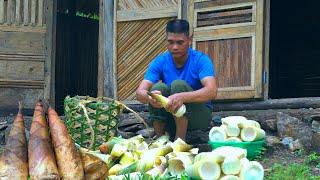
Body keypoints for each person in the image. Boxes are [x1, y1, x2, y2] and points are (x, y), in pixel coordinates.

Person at [136, 19, 217, 141]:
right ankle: (160, 139)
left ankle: (180, 141)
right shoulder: (160, 61)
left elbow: (212, 91)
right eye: (170, 42)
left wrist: (182, 96)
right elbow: (140, 92)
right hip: (171, 118)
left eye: (180, 42)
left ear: (189, 40)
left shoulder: (201, 60)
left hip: (198, 119)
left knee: (178, 85)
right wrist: (150, 97)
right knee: (157, 89)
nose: (174, 47)